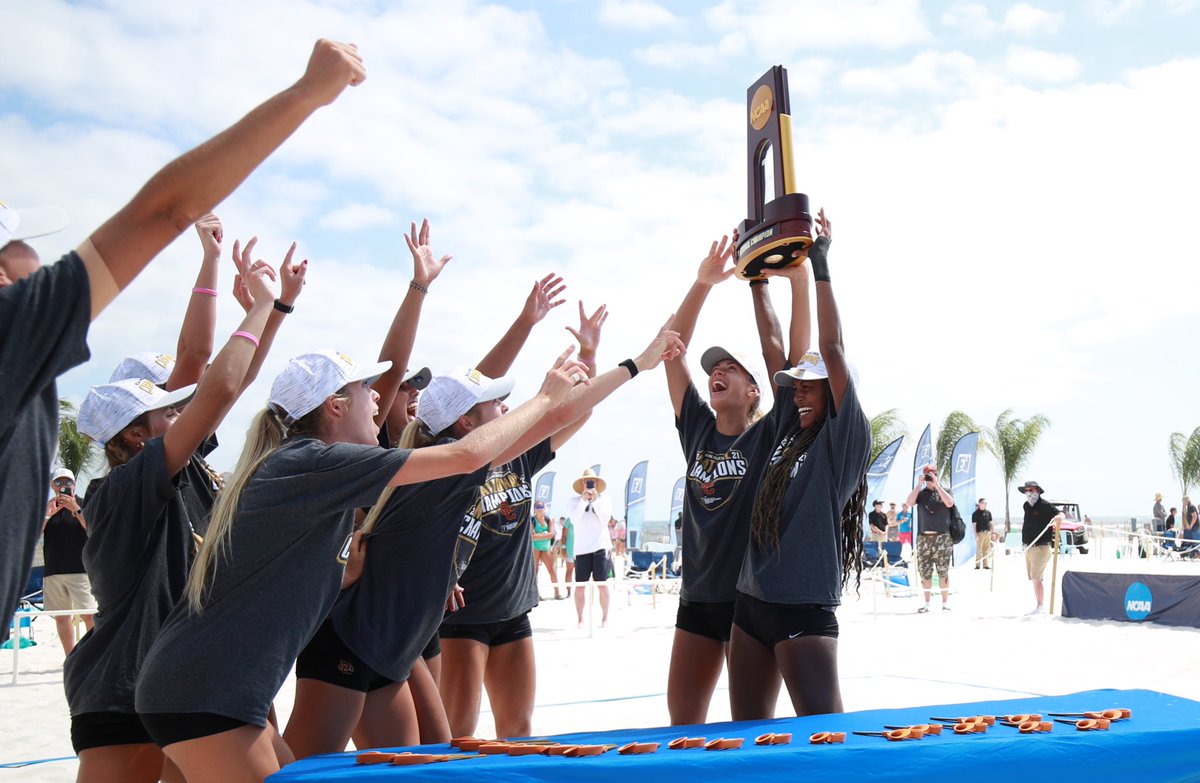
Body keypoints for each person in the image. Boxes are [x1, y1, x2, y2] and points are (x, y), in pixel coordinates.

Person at [0, 38, 366, 645]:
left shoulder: (164, 459)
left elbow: (227, 381)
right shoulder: (132, 479)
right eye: (18, 248)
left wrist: (270, 308)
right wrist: (306, 94)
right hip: (139, 674)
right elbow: (207, 365)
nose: (33, 260)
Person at [134, 346, 589, 782]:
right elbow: (465, 455)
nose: (377, 397)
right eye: (364, 388)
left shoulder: (311, 468)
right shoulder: (311, 461)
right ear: (334, 406)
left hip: (209, 687)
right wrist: (545, 398)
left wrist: (343, 575)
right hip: (203, 689)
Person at [66, 260, 282, 783]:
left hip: (185, 677)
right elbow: (216, 386)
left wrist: (275, 310)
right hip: (123, 683)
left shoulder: (183, 470)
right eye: (168, 411)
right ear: (135, 435)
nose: (183, 413)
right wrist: (260, 305)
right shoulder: (124, 489)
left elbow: (234, 383)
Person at [660, 228, 811, 726]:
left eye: (730, 368)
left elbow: (788, 358)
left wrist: (789, 283)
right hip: (696, 599)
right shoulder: (697, 429)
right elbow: (670, 348)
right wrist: (703, 283)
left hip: (748, 601)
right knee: (683, 728)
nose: (716, 372)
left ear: (753, 390)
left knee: (751, 728)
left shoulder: (767, 435)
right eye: (714, 369)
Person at [729, 210, 871, 720]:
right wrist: (755, 279)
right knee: (748, 742)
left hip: (803, 608)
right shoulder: (791, 425)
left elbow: (832, 348)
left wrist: (821, 264)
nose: (799, 394)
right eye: (797, 387)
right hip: (750, 602)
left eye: (810, 386)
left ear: (834, 390)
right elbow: (773, 350)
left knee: (827, 742)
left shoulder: (844, 437)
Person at [41, 468, 96, 656]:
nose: (63, 486)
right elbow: (33, 536)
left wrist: (76, 509)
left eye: (67, 482)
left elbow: (93, 528)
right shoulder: (48, 507)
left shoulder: (84, 503)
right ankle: (70, 658)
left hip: (80, 569)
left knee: (89, 615)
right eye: (58, 482)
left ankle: (92, 656)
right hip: (53, 571)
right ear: (52, 486)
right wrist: (47, 515)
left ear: (74, 484)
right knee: (62, 618)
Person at [563, 469, 614, 628]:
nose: (590, 484)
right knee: (580, 587)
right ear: (582, 484)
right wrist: (584, 500)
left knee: (602, 585)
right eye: (587, 482)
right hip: (581, 549)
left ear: (597, 484)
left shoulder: (605, 500)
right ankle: (580, 619)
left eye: (592, 481)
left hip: (600, 546)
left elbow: (605, 519)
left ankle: (605, 618)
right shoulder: (574, 501)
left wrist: (595, 501)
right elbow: (574, 521)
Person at [905, 464, 955, 613]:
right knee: (925, 572)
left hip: (942, 537)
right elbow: (909, 502)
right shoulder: (920, 494)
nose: (931, 476)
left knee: (943, 571)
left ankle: (945, 604)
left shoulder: (944, 491)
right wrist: (919, 485)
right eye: (928, 474)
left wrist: (937, 485)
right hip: (924, 537)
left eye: (933, 474)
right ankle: (927, 604)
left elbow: (950, 503)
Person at [1018, 480, 1064, 615]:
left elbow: (1060, 513)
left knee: (1037, 578)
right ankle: (1039, 605)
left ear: (1038, 491)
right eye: (1027, 490)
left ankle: (1040, 607)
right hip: (1028, 548)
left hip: (1041, 548)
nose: (1029, 493)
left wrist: (1059, 517)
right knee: (1034, 578)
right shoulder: (1026, 506)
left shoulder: (1044, 505)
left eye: (1031, 490)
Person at [531, 502, 562, 600]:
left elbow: (551, 535)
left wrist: (540, 535)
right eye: (537, 507)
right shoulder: (532, 520)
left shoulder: (549, 519)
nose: (539, 508)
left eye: (541, 506)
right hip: (535, 548)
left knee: (552, 570)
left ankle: (557, 593)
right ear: (534, 509)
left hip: (546, 548)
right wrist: (545, 534)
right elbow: (532, 536)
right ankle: (536, 595)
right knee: (534, 572)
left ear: (545, 508)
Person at [973, 498, 994, 569]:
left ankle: (986, 565)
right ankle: (977, 565)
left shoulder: (988, 513)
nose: (985, 504)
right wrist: (975, 535)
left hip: (987, 533)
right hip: (980, 533)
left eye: (985, 503)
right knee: (979, 550)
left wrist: (992, 532)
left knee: (986, 550)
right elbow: (974, 525)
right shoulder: (975, 514)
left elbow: (991, 523)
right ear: (980, 504)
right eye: (983, 503)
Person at [559, 516, 575, 595]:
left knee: (581, 573)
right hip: (570, 550)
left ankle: (579, 593)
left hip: (582, 551)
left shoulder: (585, 518)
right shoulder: (569, 520)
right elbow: (563, 536)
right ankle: (569, 592)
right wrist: (563, 548)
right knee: (569, 571)